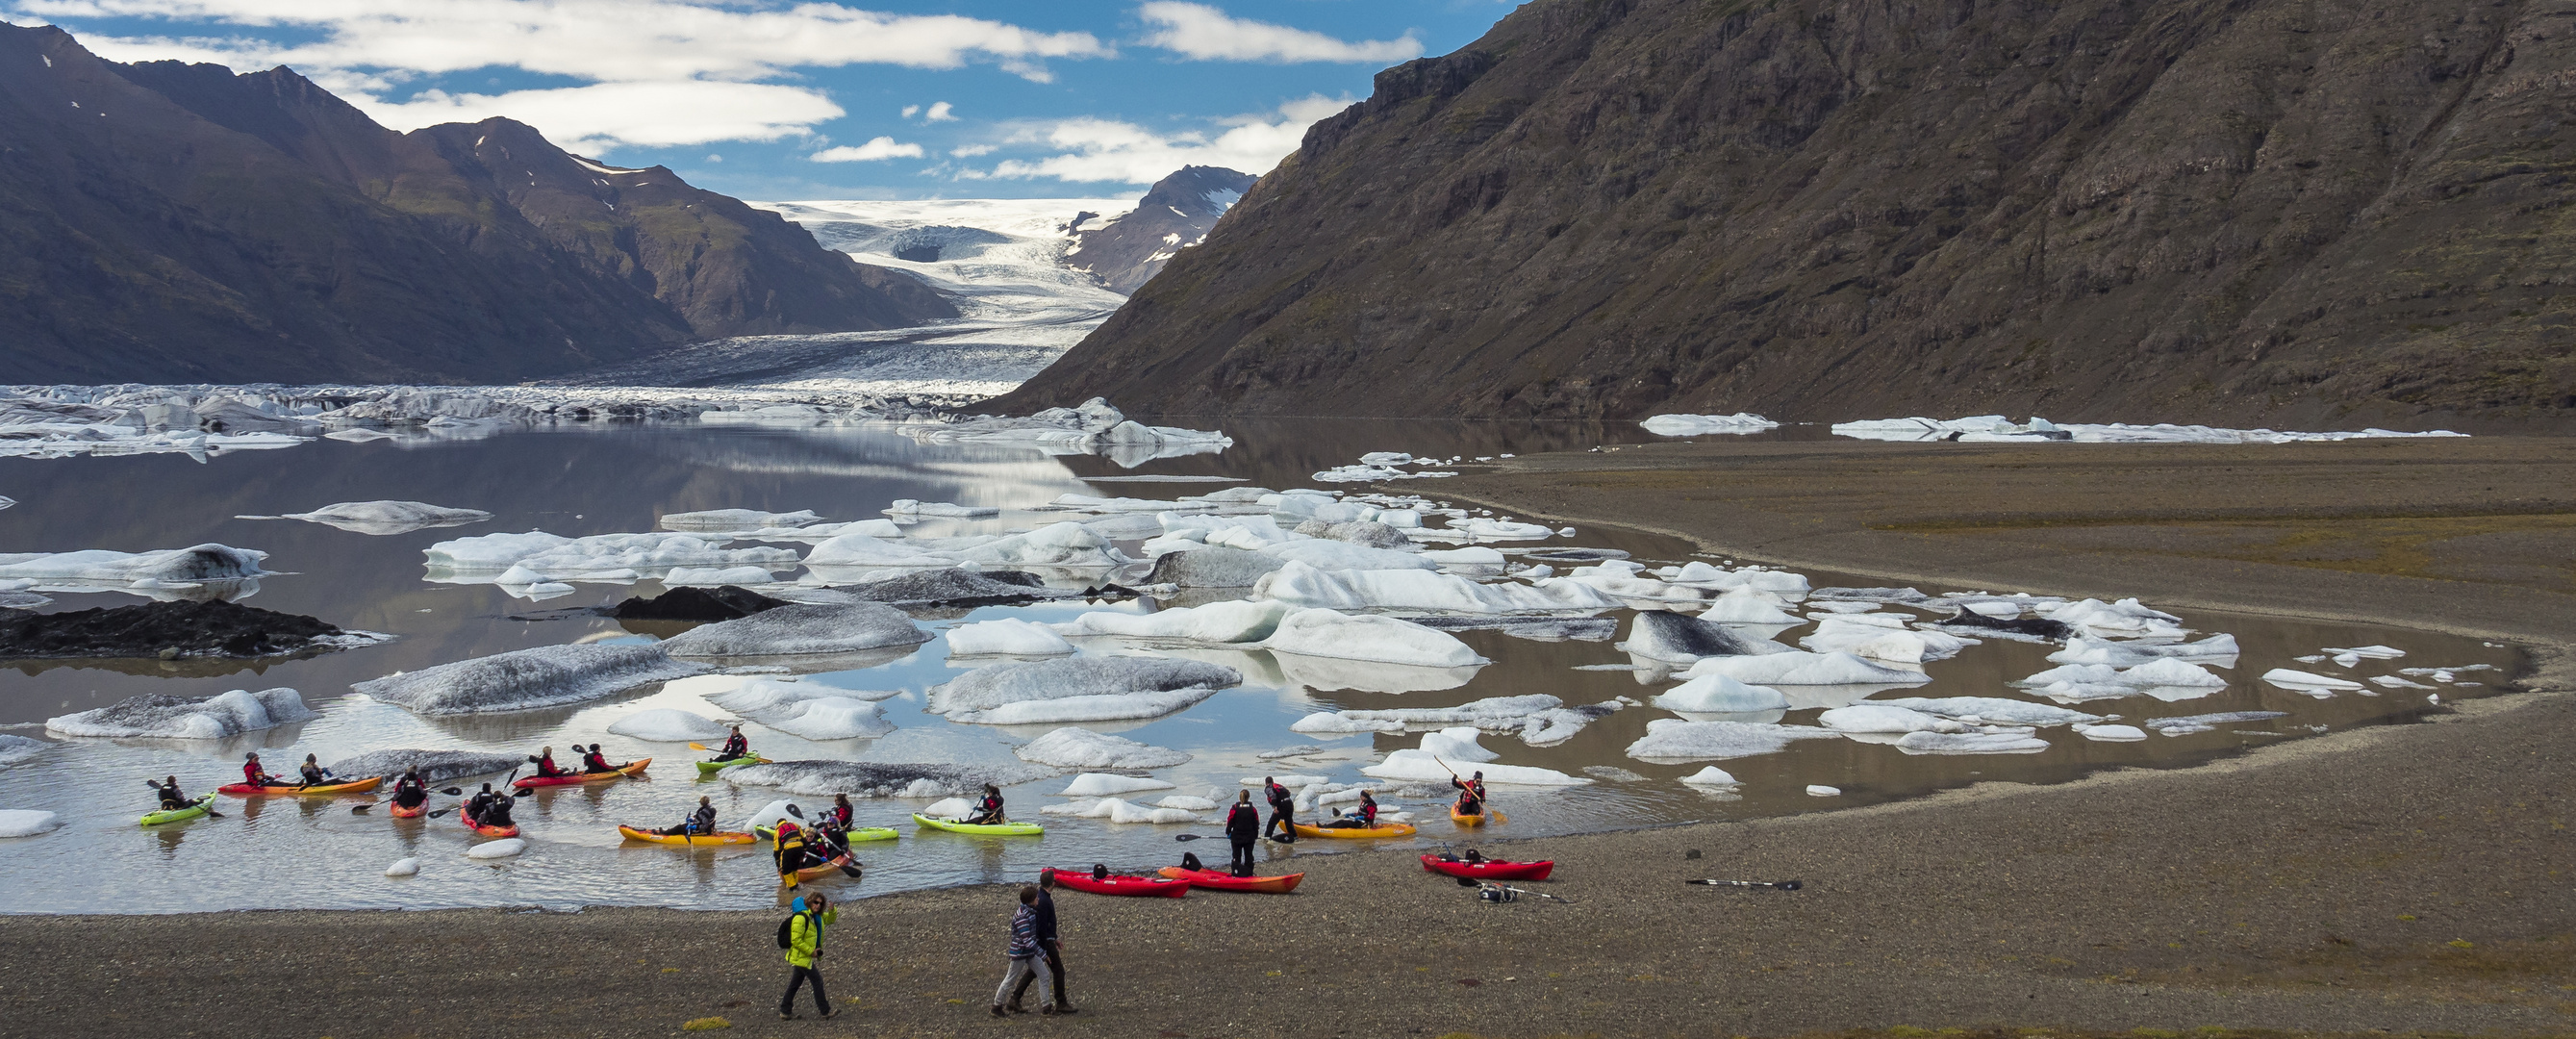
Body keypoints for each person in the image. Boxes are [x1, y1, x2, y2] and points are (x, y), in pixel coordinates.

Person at [1009, 870, 1073, 1015]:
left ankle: (1015, 998)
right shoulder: (1043, 900)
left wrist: (1055, 937)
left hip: (1045, 940)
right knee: (1058, 970)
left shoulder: (1043, 897)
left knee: (1034, 971)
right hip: (1044, 942)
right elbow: (1041, 925)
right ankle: (1061, 1002)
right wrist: (1044, 947)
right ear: (1052, 883)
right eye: (1055, 880)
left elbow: (1047, 924)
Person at [993, 886, 1056, 1017]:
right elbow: (1027, 940)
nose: (1038, 899)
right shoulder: (1022, 916)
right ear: (1031, 900)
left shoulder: (1031, 912)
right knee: (1010, 979)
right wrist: (1043, 954)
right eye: (1036, 898)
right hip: (1020, 953)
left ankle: (1046, 1007)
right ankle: (996, 1006)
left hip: (1029, 952)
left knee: (1044, 975)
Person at [778, 892, 837, 1021]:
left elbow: (830, 920)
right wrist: (811, 951)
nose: (818, 905)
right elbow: (796, 940)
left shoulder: (816, 917)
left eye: (821, 904)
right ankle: (825, 1011)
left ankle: (785, 1011)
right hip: (801, 956)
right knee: (817, 981)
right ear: (809, 902)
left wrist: (832, 911)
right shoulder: (801, 918)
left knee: (795, 983)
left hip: (804, 957)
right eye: (816, 902)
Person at [1224, 789, 1262, 875]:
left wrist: (1228, 832)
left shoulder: (1235, 808)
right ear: (1248, 797)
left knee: (1236, 856)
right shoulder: (1253, 809)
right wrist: (1256, 835)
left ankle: (1236, 873)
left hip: (1237, 837)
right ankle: (1249, 873)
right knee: (1249, 857)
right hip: (1249, 837)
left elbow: (1230, 821)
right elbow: (1256, 823)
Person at [774, 820, 811, 886]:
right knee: (794, 868)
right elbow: (803, 838)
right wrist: (803, 852)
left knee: (786, 870)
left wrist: (778, 862)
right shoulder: (794, 825)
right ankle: (796, 884)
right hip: (799, 847)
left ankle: (792, 888)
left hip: (789, 849)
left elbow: (777, 848)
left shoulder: (778, 831)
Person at [1263, 776, 1296, 843]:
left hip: (1282, 805)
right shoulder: (1279, 786)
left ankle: (1267, 837)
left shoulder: (1269, 787)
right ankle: (1295, 837)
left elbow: (1273, 796)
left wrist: (1275, 806)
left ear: (1266, 783)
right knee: (1288, 823)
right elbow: (1288, 793)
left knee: (1271, 823)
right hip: (1289, 804)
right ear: (1273, 781)